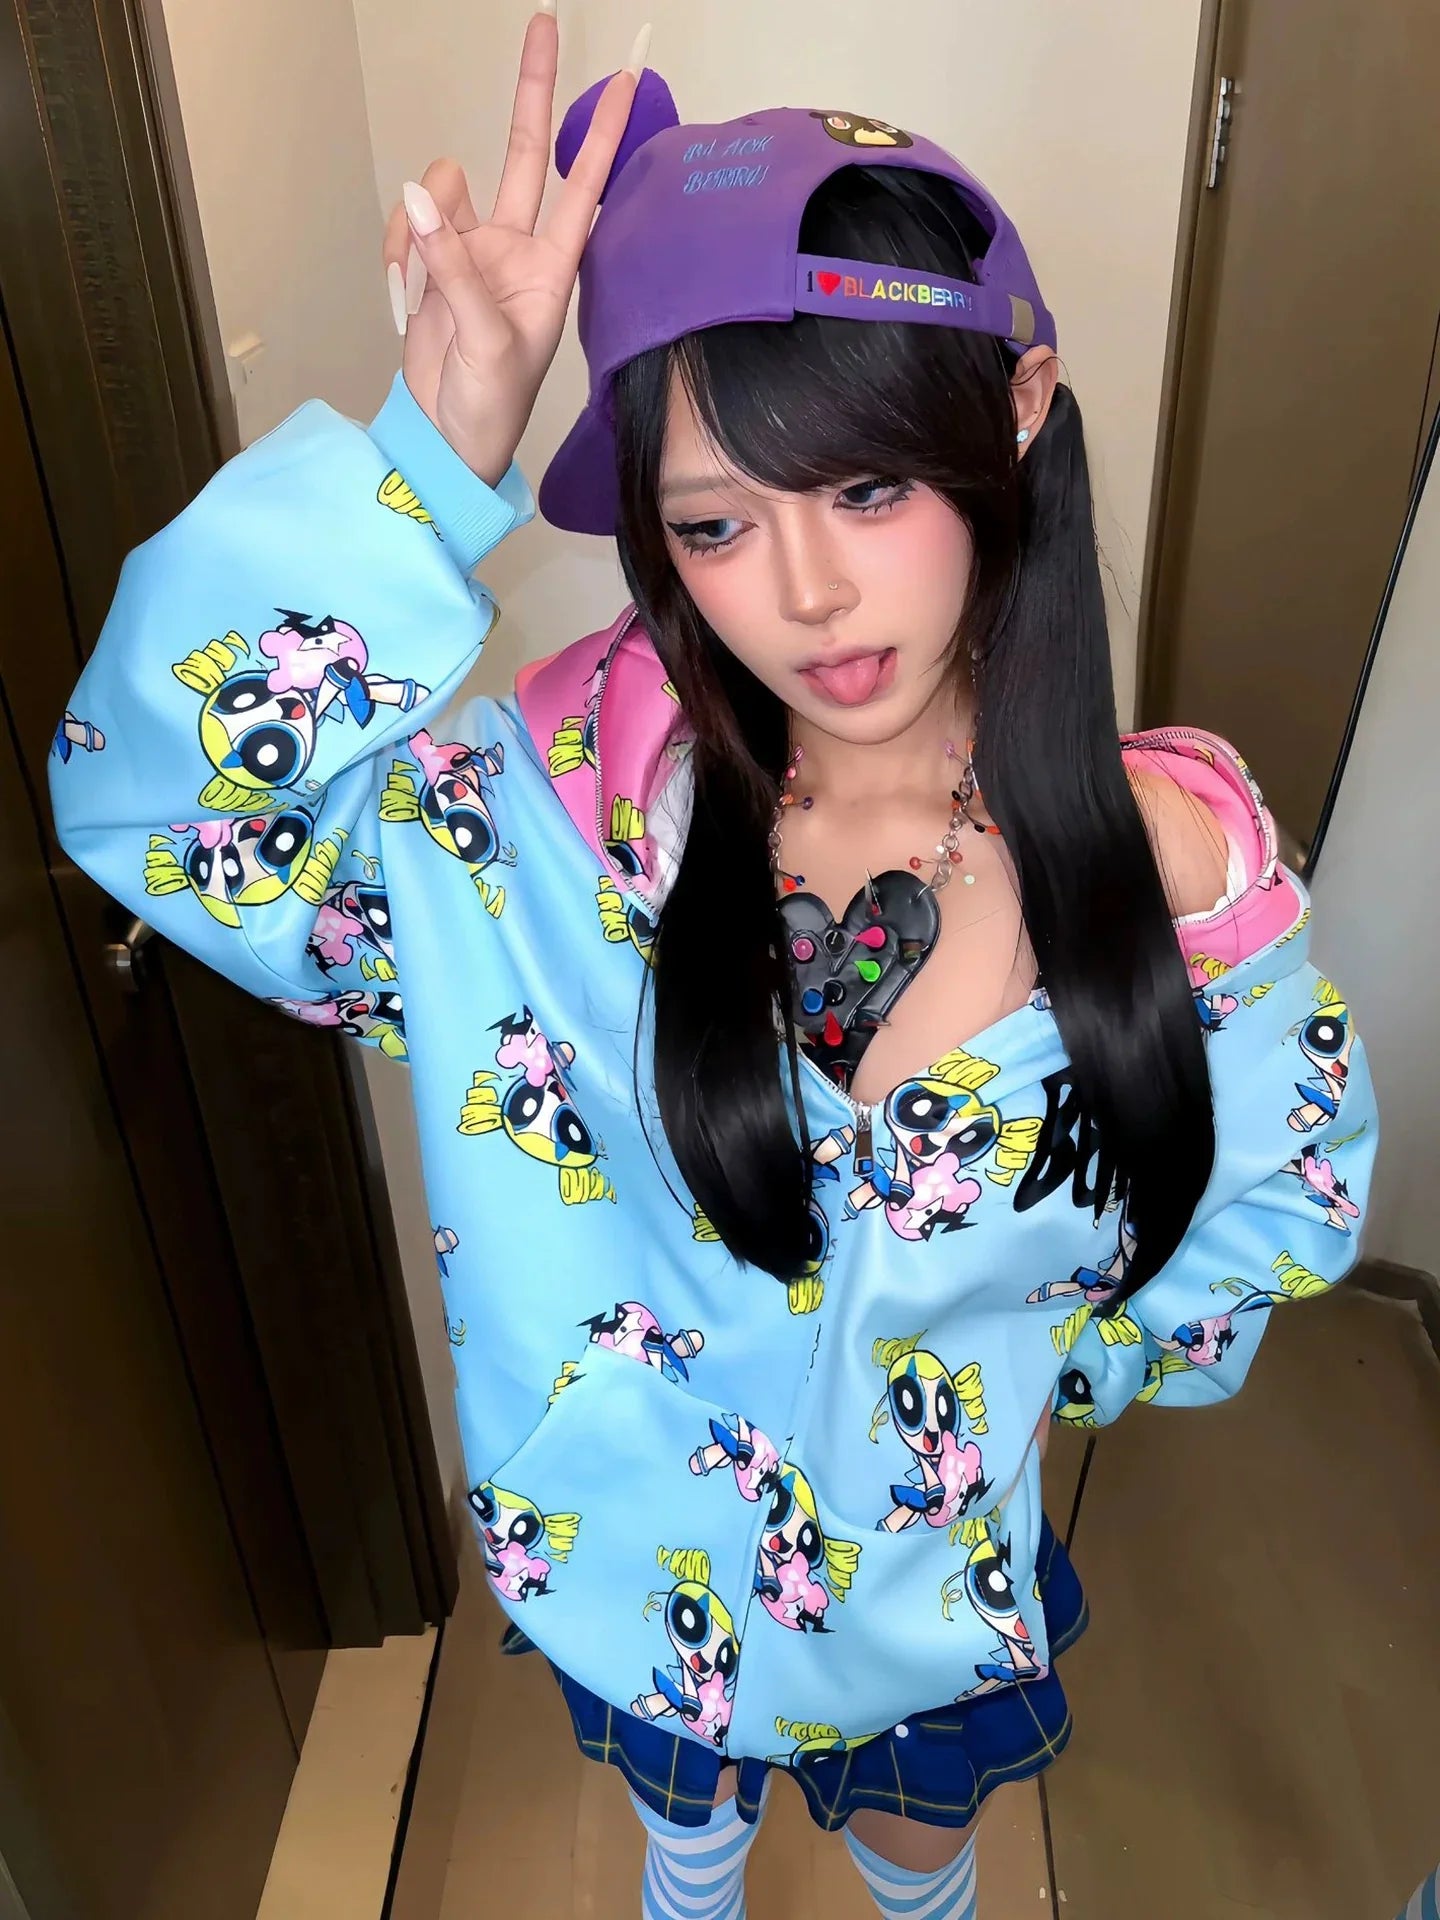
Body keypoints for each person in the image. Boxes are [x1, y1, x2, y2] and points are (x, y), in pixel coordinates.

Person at [50, 10, 1379, 1918]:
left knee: (924, 1866)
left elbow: (1272, 1199)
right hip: (638, 1576)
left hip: (926, 1604)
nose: (808, 594)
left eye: (867, 489)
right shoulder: (545, 840)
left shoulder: (1171, 872)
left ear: (1016, 411)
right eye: (713, 523)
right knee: (689, 1850)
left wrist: (1013, 1379)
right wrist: (429, 458)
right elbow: (165, 803)